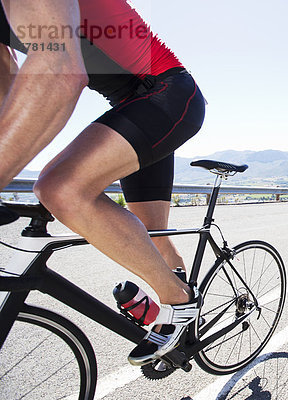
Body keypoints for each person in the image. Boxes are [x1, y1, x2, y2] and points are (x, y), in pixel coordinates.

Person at [0, 0, 205, 366]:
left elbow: (60, 70)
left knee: (60, 188)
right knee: (151, 233)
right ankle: (182, 310)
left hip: (167, 91)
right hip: (135, 102)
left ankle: (178, 302)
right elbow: (10, 94)